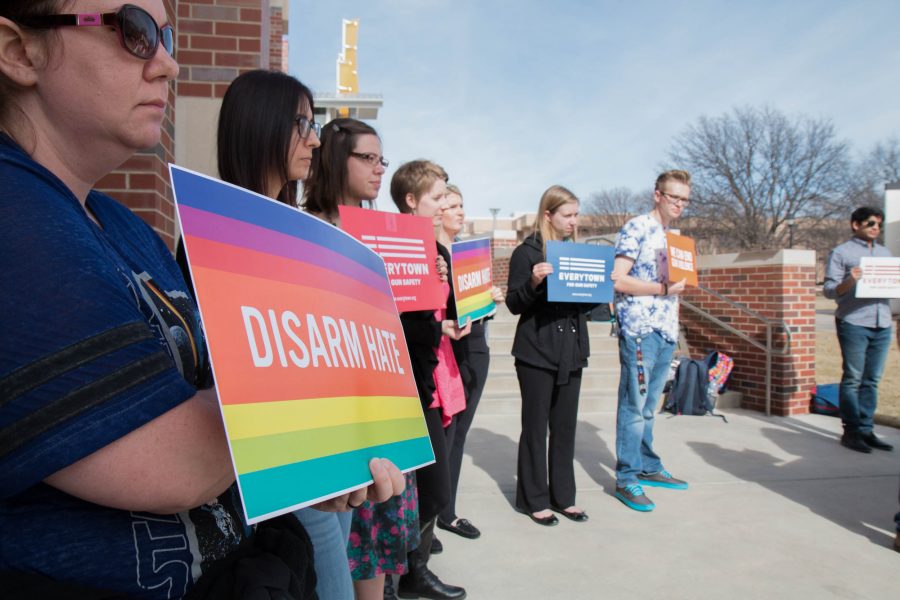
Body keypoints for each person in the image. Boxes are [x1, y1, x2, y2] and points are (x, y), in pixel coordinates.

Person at [0, 4, 402, 594]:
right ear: (18, 51)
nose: (168, 62)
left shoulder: (118, 222)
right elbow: (179, 461)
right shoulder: (17, 217)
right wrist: (330, 428)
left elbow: (223, 392)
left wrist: (319, 452)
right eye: (134, 32)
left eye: (167, 36)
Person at [303, 118, 421, 600]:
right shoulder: (307, 225)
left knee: (379, 528)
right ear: (336, 158)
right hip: (338, 404)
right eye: (366, 158)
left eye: (381, 160)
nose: (378, 170)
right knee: (350, 534)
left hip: (384, 393)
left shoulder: (390, 234)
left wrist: (425, 273)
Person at [391, 160, 469, 600]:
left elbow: (445, 312)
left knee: (433, 491)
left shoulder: (435, 252)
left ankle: (413, 571)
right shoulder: (387, 246)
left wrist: (448, 317)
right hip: (403, 383)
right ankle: (400, 574)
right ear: (411, 201)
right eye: (437, 198)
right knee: (417, 491)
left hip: (434, 376)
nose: (443, 205)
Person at [505, 185, 591, 526]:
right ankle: (533, 499)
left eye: (576, 214)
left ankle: (563, 497)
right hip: (536, 351)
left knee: (565, 428)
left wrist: (601, 287)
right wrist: (533, 283)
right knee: (535, 427)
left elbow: (584, 303)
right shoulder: (527, 253)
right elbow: (514, 304)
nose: (573, 221)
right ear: (548, 215)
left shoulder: (577, 253)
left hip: (572, 351)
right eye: (567, 214)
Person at [610, 170, 691, 513]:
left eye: (685, 199)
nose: (679, 204)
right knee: (634, 405)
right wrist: (661, 289)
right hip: (639, 329)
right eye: (674, 197)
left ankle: (648, 464)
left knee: (650, 405)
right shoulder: (637, 227)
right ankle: (627, 478)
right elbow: (617, 279)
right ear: (657, 195)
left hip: (666, 329)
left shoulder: (675, 238)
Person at [436, 184, 504, 540]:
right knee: (443, 438)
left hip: (475, 348)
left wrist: (491, 298)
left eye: (462, 205)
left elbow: (477, 310)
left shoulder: (468, 253)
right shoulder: (432, 254)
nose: (460, 212)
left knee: (459, 436)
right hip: (447, 352)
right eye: (452, 205)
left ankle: (447, 511)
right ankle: (430, 518)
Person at [823, 207, 895, 453]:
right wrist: (850, 280)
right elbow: (830, 291)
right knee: (853, 378)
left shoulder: (886, 254)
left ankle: (866, 429)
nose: (875, 227)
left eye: (879, 225)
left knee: (872, 380)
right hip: (854, 321)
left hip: (883, 322)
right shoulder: (842, 253)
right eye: (871, 223)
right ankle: (851, 431)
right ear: (856, 224)